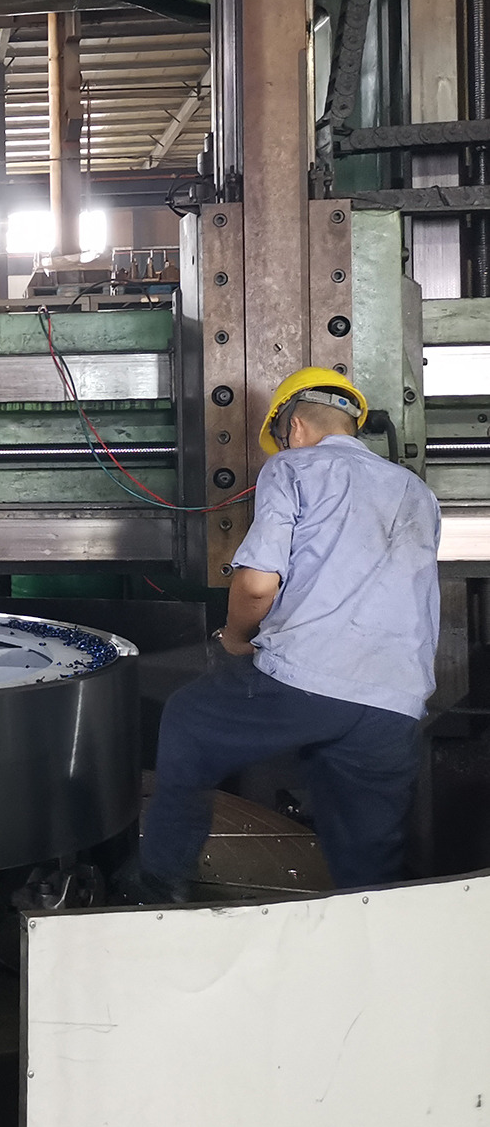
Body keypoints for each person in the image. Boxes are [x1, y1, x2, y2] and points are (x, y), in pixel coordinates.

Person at [133, 366, 441, 901]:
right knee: (366, 865)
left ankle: (159, 886)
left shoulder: (294, 467)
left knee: (187, 718)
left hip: (307, 678)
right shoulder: (416, 491)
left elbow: (257, 585)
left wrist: (234, 640)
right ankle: (366, 933)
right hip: (396, 699)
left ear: (294, 427)